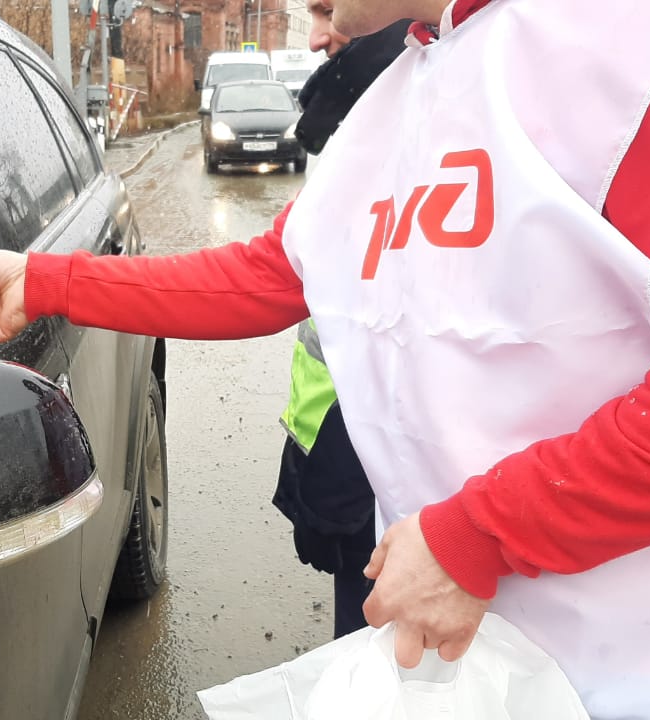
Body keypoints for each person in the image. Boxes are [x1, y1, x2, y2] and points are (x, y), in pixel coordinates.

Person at [0, 1, 650, 718]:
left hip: (641, 666)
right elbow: (263, 274)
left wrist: (482, 535)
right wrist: (43, 281)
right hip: (451, 646)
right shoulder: (398, 97)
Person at [275, 14, 414, 640]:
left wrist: (476, 537)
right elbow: (278, 274)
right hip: (358, 476)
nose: (314, 37)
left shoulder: (456, 102)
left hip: (426, 520)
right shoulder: (364, 113)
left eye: (328, 10)